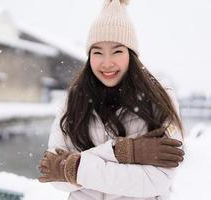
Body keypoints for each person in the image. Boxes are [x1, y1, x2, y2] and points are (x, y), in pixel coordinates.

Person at [38, 0, 185, 199]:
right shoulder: (74, 98)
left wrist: (74, 167)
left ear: (131, 55)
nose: (107, 63)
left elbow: (157, 180)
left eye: (117, 51)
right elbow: (53, 172)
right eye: (97, 52)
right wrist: (124, 152)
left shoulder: (159, 98)